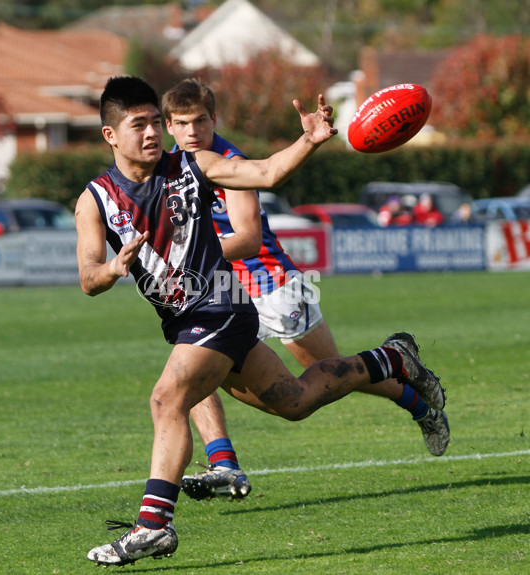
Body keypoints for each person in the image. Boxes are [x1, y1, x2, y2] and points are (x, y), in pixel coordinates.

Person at [76, 76, 446, 567]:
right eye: (138, 125)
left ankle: (154, 525)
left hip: (222, 308)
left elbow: (268, 173)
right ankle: (391, 358)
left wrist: (308, 141)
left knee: (168, 398)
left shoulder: (193, 165)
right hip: (186, 321)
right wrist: (113, 269)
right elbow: (88, 276)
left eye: (153, 124)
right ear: (110, 136)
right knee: (294, 401)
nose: (151, 134)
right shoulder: (94, 199)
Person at [161, 78, 450, 501]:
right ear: (168, 126)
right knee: (191, 371)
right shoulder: (167, 167)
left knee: (332, 371)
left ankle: (413, 394)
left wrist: (187, 256)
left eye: (200, 121)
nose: (192, 132)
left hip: (271, 283)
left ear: (214, 120)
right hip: (222, 289)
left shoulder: (227, 160)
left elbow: (248, 240)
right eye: (182, 123)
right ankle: (224, 465)